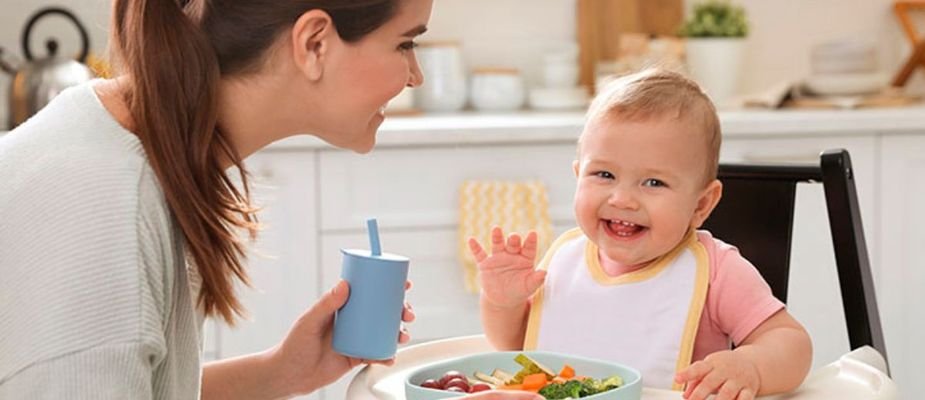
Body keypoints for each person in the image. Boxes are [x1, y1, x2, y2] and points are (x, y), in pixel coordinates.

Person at [0, 0, 541, 399]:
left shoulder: (126, 148)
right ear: (314, 43)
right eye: (405, 44)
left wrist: (280, 372)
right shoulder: (104, 215)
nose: (415, 75)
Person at [469, 68, 813, 400]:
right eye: (604, 175)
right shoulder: (565, 262)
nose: (622, 199)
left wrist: (750, 366)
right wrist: (502, 303)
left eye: (653, 182)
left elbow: (790, 342)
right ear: (578, 176)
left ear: (701, 205)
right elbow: (520, 346)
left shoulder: (717, 271)